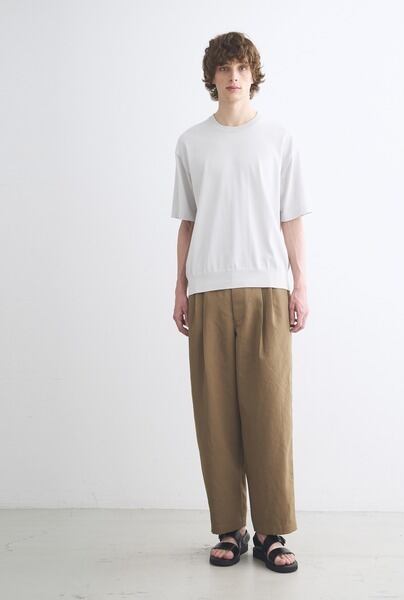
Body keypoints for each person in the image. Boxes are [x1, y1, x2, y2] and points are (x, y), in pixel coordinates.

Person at [171, 31, 311, 574]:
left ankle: (272, 531)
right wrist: (179, 287)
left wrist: (300, 284)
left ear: (254, 75)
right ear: (212, 77)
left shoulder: (278, 138)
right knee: (215, 415)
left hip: (266, 287)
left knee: (269, 412)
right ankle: (229, 527)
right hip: (207, 287)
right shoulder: (191, 143)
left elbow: (290, 217)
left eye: (242, 68)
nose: (233, 77)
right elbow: (188, 222)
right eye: (224, 68)